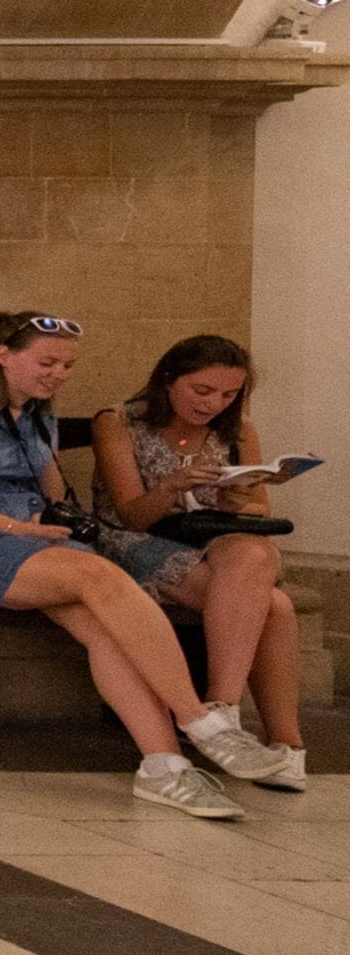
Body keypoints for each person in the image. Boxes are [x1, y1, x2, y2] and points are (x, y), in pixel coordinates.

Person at [0, 311, 297, 820]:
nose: (59, 374)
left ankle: (164, 765)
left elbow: (50, 490)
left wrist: (62, 521)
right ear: (4, 354)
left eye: (67, 365)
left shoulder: (38, 413)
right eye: (47, 362)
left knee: (107, 626)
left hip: (45, 545)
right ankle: (202, 722)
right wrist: (19, 528)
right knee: (102, 575)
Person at [88, 335, 307, 786]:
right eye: (202, 391)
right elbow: (132, 514)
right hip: (136, 539)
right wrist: (171, 486)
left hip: (214, 541)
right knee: (276, 606)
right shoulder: (119, 423)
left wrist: (235, 500)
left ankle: (221, 709)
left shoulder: (238, 430)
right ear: (169, 379)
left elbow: (259, 510)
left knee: (253, 549)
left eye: (228, 395)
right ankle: (286, 745)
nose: (214, 404)